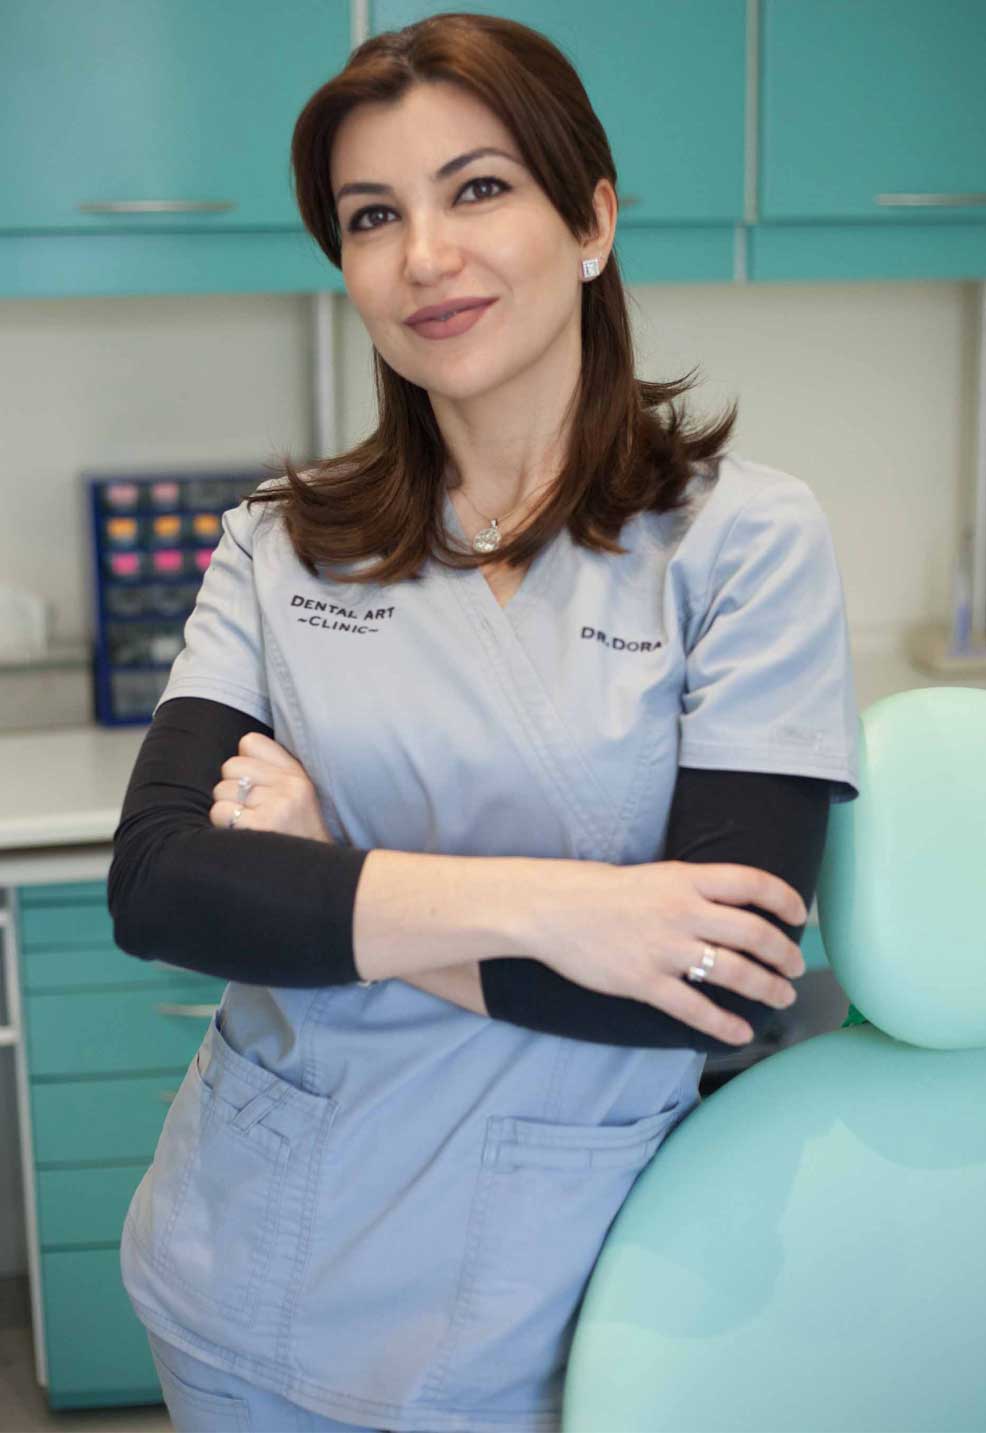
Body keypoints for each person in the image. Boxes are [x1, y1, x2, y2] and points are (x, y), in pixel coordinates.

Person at [109, 12, 860, 1432]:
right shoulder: (280, 543)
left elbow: (725, 980)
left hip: (560, 1297)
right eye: (372, 215)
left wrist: (325, 881)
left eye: (478, 189)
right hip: (243, 1267)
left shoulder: (742, 543)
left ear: (591, 220)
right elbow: (161, 885)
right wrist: (569, 910)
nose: (425, 256)